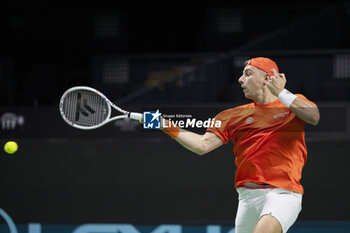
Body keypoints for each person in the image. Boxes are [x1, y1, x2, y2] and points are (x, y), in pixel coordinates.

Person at [157, 57, 320, 233]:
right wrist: (162, 124)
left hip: (282, 194)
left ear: (268, 78)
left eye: (248, 74)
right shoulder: (231, 116)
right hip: (247, 198)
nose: (240, 79)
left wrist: (281, 92)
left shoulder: (291, 104)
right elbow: (202, 145)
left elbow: (313, 117)